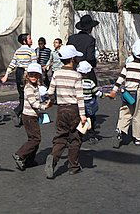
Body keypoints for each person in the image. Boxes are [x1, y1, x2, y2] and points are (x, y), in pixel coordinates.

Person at [108, 39, 140, 147]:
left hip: (127, 93)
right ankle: (137, 138)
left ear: (132, 53)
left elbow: (120, 79)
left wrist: (114, 90)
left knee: (125, 112)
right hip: (138, 92)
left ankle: (121, 128)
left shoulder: (128, 65)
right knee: (138, 115)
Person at [45, 44, 86, 178]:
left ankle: (53, 157)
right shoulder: (77, 76)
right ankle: (73, 166)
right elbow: (80, 97)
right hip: (74, 109)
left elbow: (50, 92)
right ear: (73, 59)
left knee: (61, 136)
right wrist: (83, 115)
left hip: (61, 109)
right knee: (75, 137)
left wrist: (51, 101)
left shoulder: (56, 73)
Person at [13, 63, 52, 170]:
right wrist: (43, 107)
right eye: (31, 75)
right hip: (28, 116)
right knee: (35, 139)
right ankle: (20, 155)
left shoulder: (36, 87)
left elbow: (40, 98)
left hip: (33, 116)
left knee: (34, 138)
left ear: (39, 76)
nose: (33, 77)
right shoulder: (28, 88)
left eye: (36, 75)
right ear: (27, 76)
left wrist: (46, 100)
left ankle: (29, 160)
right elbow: (33, 102)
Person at [1, 33, 37, 127]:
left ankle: (21, 118)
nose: (31, 40)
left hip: (19, 73)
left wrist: (6, 75)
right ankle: (18, 112)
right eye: (29, 38)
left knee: (22, 95)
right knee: (29, 95)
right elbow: (34, 65)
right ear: (25, 41)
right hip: (27, 74)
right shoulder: (31, 51)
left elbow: (13, 63)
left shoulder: (17, 51)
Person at [68, 14, 99, 83]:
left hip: (72, 67)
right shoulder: (90, 39)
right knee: (92, 86)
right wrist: (93, 64)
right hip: (85, 70)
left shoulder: (72, 38)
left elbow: (68, 53)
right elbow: (90, 57)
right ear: (90, 28)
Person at [78, 60, 103, 142]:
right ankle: (91, 134)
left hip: (80, 103)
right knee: (91, 118)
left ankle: (80, 135)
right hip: (89, 102)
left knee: (81, 119)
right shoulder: (90, 82)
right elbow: (96, 92)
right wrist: (103, 95)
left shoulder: (77, 82)